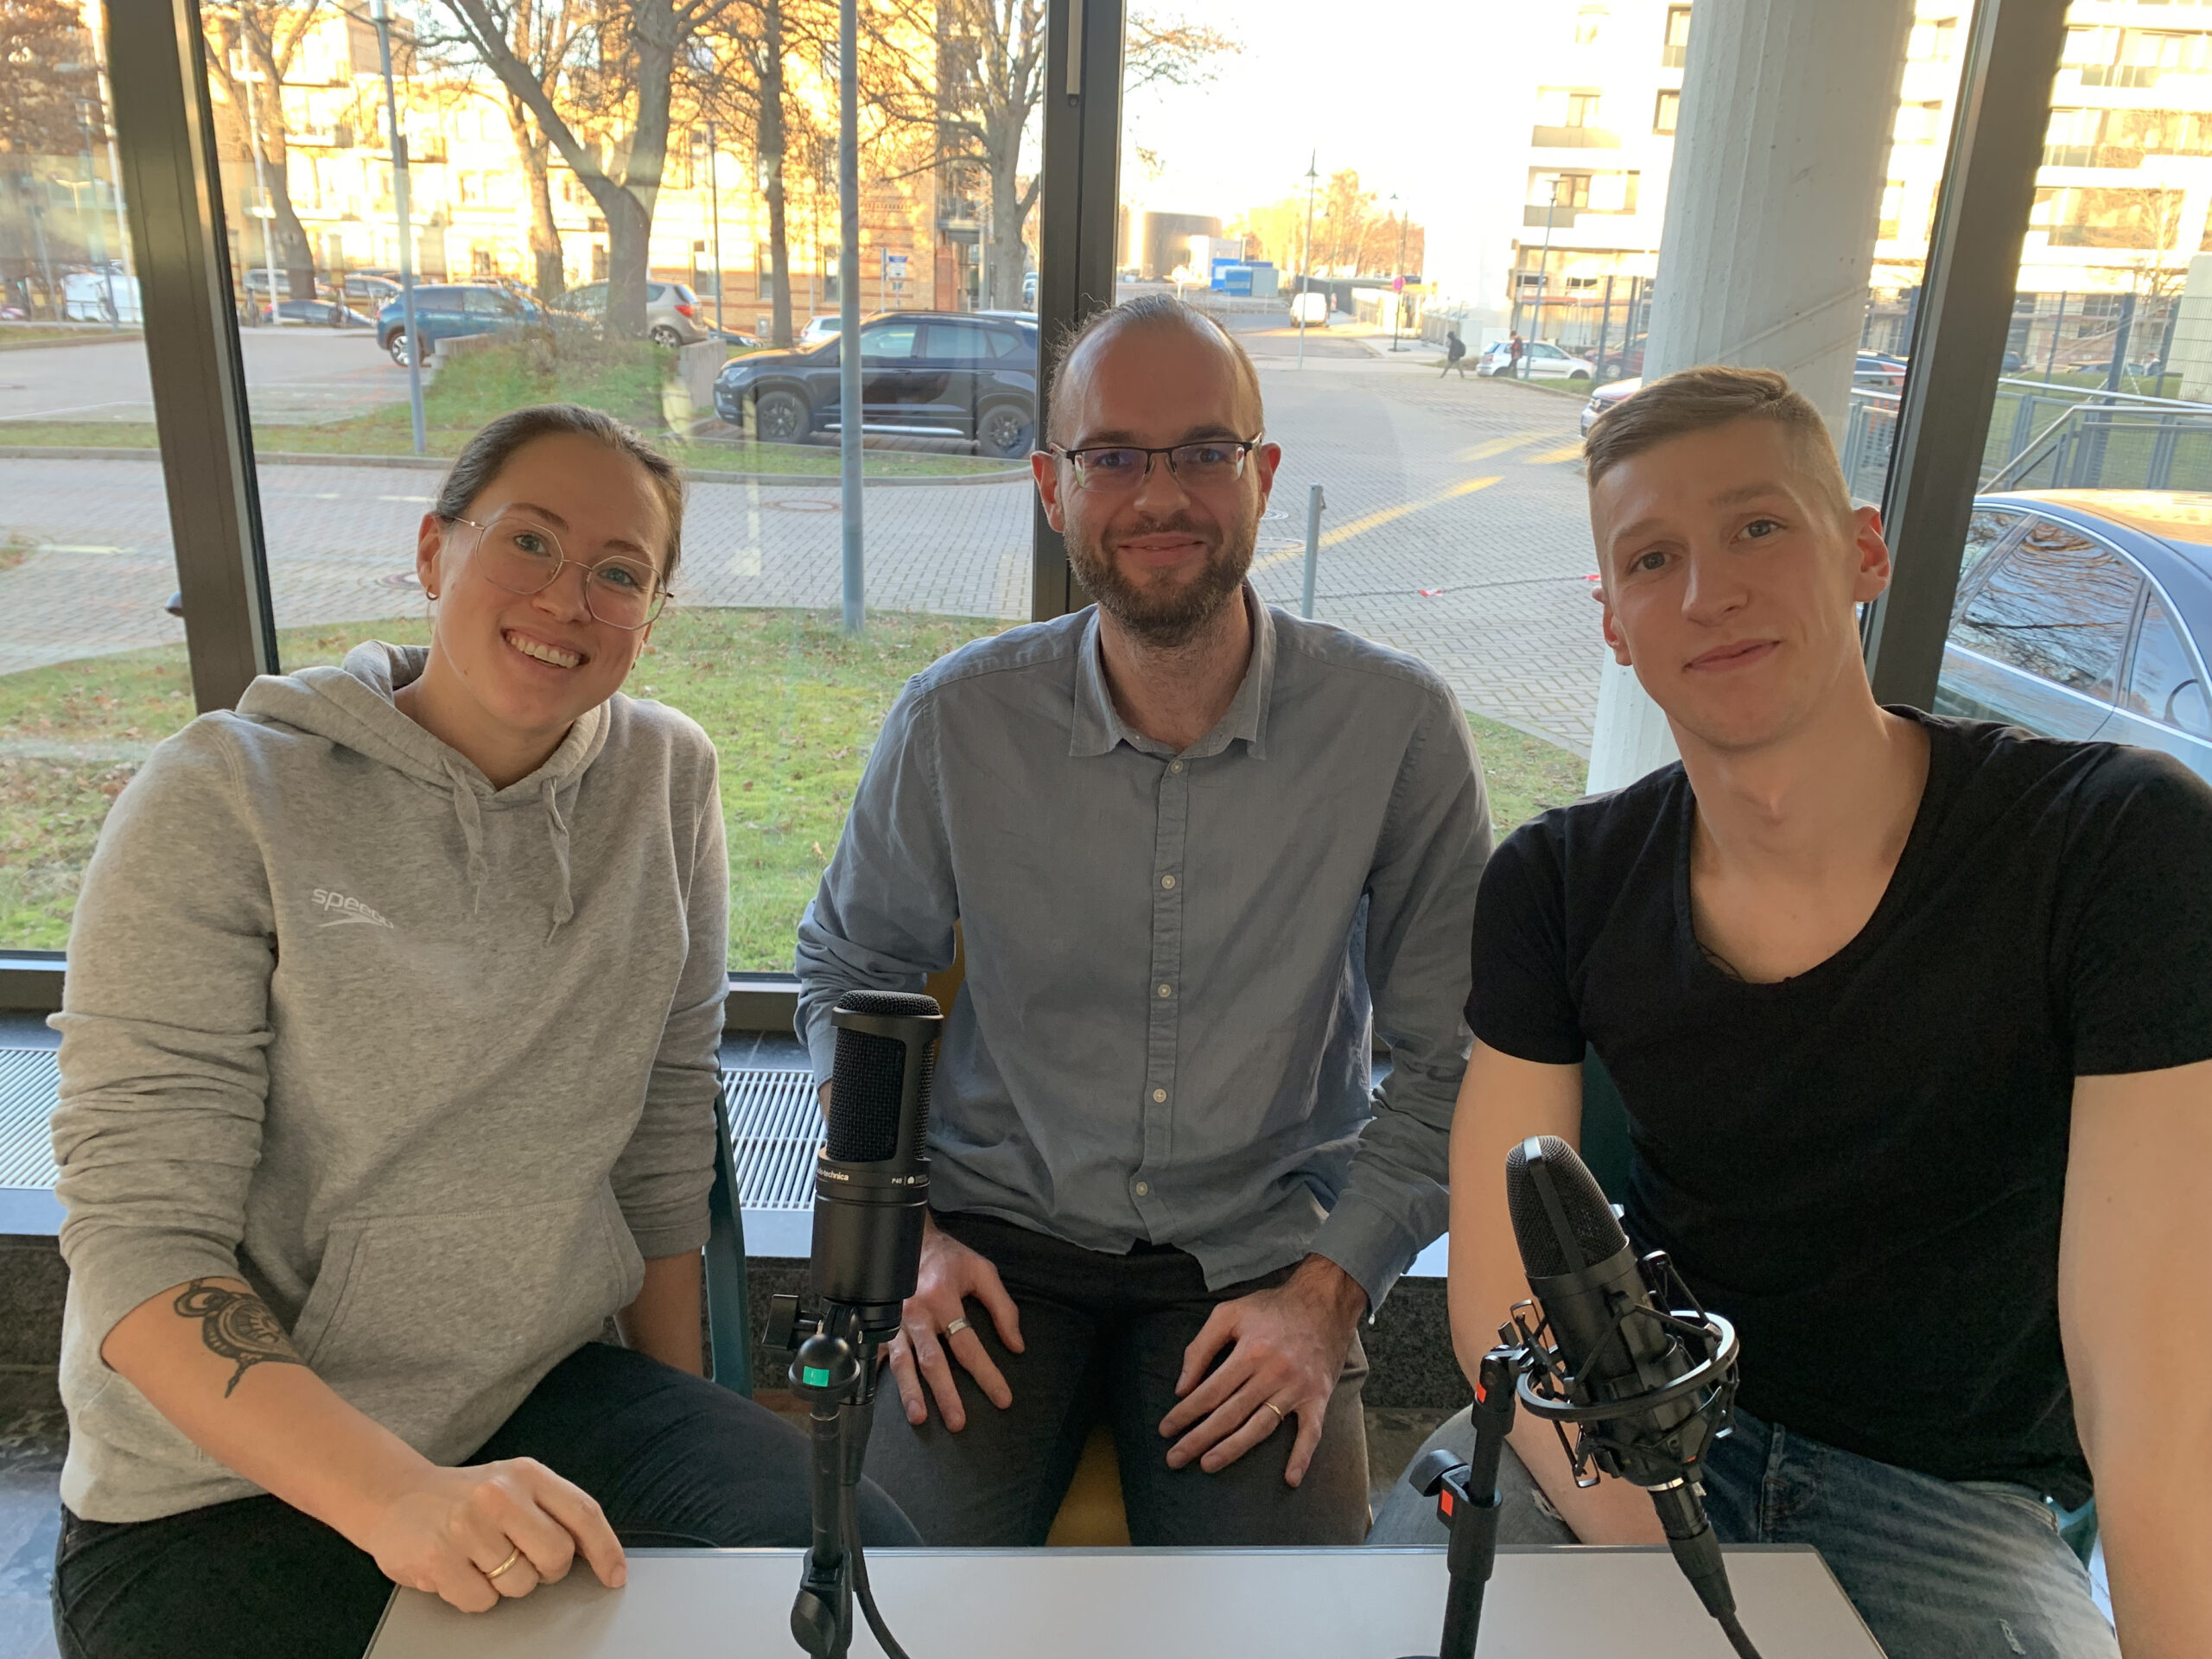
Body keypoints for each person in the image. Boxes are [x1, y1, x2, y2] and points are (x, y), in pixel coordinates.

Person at [48, 404, 915, 1659]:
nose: (570, 597)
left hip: (547, 1397)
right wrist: (398, 1495)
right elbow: (136, 1236)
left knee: (860, 1581)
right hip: (217, 1489)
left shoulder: (665, 782)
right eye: (530, 543)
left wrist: (688, 1419)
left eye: (621, 572)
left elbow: (663, 1143)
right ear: (434, 550)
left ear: (652, 615)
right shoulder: (225, 795)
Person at [1370, 367, 2212, 1658]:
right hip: (1636, 1426)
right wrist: (1697, 1597)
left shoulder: (2111, 849)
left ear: (1862, 549)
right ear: (1613, 621)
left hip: (1947, 1495)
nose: (1709, 593)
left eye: (1758, 528)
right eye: (1654, 559)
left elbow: (2150, 1377)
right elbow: (1503, 1302)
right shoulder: (1560, 881)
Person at [796, 295, 1491, 1548]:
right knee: (899, 1602)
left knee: (1283, 1639)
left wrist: (1332, 1296)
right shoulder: (957, 721)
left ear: (1262, 476)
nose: (1158, 494)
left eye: (1203, 453)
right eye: (1112, 455)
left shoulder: (1394, 731)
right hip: (994, 1245)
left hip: (1260, 1259)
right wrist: (912, 1239)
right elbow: (852, 972)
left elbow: (1455, 1054)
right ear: (1054, 490)